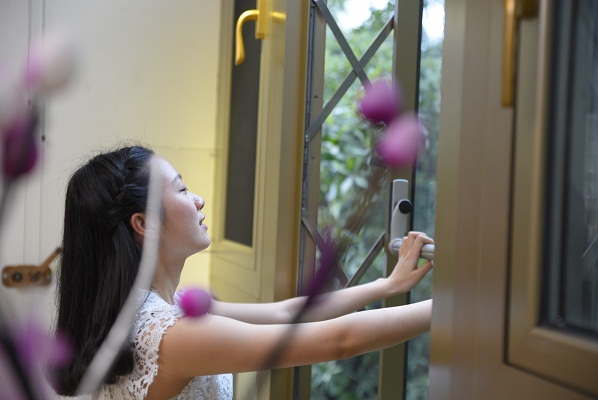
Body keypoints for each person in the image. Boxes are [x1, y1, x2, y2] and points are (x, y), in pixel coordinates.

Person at [54, 145, 434, 400]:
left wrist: (385, 285)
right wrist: (452, 307)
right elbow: (340, 341)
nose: (198, 199)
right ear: (145, 223)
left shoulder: (152, 312)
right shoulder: (168, 336)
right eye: (182, 189)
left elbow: (286, 313)